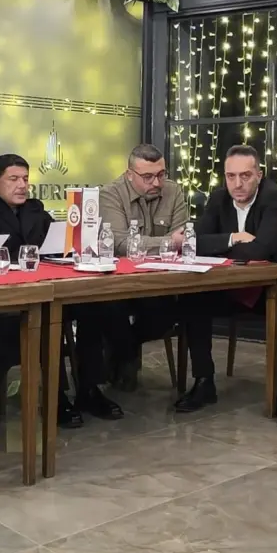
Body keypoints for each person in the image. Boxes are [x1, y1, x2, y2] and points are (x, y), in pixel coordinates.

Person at [0, 154, 123, 428]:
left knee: (94, 308)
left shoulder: (35, 208)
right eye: (13, 179)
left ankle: (89, 388)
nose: (22, 185)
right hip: (2, 298)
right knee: (43, 321)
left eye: (25, 179)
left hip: (44, 290)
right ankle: (55, 397)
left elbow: (58, 240)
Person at [179, 145, 277, 427]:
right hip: (232, 283)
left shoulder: (274, 197)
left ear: (259, 175)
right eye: (231, 176)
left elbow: (263, 249)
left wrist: (219, 247)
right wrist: (234, 238)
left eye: (245, 176)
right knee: (192, 296)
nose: (237, 184)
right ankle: (204, 382)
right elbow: (194, 244)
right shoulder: (218, 198)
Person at [85, 144, 190, 391]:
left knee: (171, 312)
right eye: (148, 177)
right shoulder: (110, 194)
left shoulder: (173, 191)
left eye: (161, 174)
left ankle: (124, 351)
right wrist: (168, 242)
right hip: (119, 283)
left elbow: (184, 238)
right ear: (129, 174)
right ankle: (123, 357)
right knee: (108, 309)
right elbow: (121, 244)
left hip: (159, 281)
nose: (157, 182)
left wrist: (162, 243)